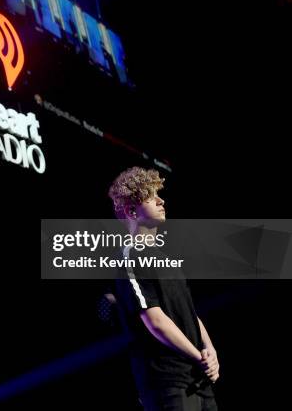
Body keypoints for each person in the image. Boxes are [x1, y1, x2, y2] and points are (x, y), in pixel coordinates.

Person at [109, 167, 218, 411]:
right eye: (151, 197)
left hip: (198, 378)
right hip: (167, 382)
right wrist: (199, 357)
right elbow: (155, 321)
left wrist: (210, 350)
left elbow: (190, 313)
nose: (161, 200)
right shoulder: (129, 256)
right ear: (131, 211)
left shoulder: (167, 260)